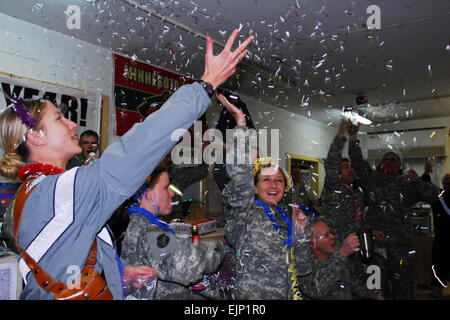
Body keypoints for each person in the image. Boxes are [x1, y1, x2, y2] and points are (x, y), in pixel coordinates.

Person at [0, 29, 254, 299]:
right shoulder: (61, 191)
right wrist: (206, 84)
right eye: (60, 118)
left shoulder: (28, 196)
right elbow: (139, 145)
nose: (72, 123)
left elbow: (62, 257)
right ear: (36, 136)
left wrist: (116, 272)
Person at [219, 94, 311, 300]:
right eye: (266, 180)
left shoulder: (285, 217)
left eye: (278, 180)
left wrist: (301, 234)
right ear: (254, 188)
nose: (273, 185)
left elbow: (303, 269)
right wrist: (241, 122)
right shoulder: (245, 213)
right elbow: (239, 178)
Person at [347, 122, 439, 299]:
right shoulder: (373, 180)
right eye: (386, 159)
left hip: (400, 247)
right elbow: (357, 162)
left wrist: (418, 181)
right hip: (376, 247)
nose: (389, 162)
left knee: (401, 289)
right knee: (373, 288)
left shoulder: (407, 184)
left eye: (393, 159)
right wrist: (353, 138)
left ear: (399, 164)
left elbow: (434, 196)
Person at [120, 166, 224, 299]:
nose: (171, 193)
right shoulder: (150, 232)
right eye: (166, 187)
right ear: (147, 193)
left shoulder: (131, 221)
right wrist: (217, 248)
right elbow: (191, 267)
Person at [300, 220, 383, 300]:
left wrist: (377, 296)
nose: (333, 237)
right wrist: (342, 254)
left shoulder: (334, 259)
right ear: (312, 244)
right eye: (326, 235)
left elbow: (352, 283)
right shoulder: (305, 267)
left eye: (330, 233)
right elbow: (315, 290)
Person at [321, 120, 366, 247]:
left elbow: (360, 221)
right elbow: (332, 160)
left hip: (354, 247)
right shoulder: (333, 187)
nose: (351, 170)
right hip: (335, 246)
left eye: (351, 167)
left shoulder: (357, 193)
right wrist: (342, 133)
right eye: (345, 167)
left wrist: (353, 136)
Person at [426, 172, 450, 298]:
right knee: (439, 262)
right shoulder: (438, 197)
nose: (448, 181)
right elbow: (427, 187)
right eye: (446, 179)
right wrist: (426, 173)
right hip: (441, 236)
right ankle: (437, 288)